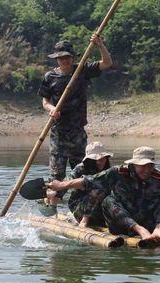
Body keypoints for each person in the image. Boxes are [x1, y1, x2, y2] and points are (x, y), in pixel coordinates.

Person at [47, 146, 160, 244]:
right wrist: (62, 185)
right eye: (142, 166)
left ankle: (158, 230)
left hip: (145, 219)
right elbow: (88, 182)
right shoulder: (117, 173)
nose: (146, 170)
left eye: (150, 166)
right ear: (133, 165)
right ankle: (140, 231)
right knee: (108, 200)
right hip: (121, 223)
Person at [37, 34, 112, 184]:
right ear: (57, 59)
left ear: (72, 57)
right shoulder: (50, 76)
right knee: (57, 175)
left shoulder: (82, 70)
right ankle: (52, 201)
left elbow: (107, 63)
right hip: (59, 132)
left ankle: (79, 202)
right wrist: (51, 109)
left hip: (78, 131)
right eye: (61, 58)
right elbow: (45, 101)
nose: (65, 60)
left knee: (82, 172)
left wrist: (100, 44)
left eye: (67, 57)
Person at [66, 141, 113, 227]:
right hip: (80, 207)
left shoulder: (107, 170)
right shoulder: (80, 169)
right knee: (98, 189)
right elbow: (68, 183)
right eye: (99, 159)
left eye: (104, 158)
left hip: (99, 207)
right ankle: (84, 221)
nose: (102, 162)